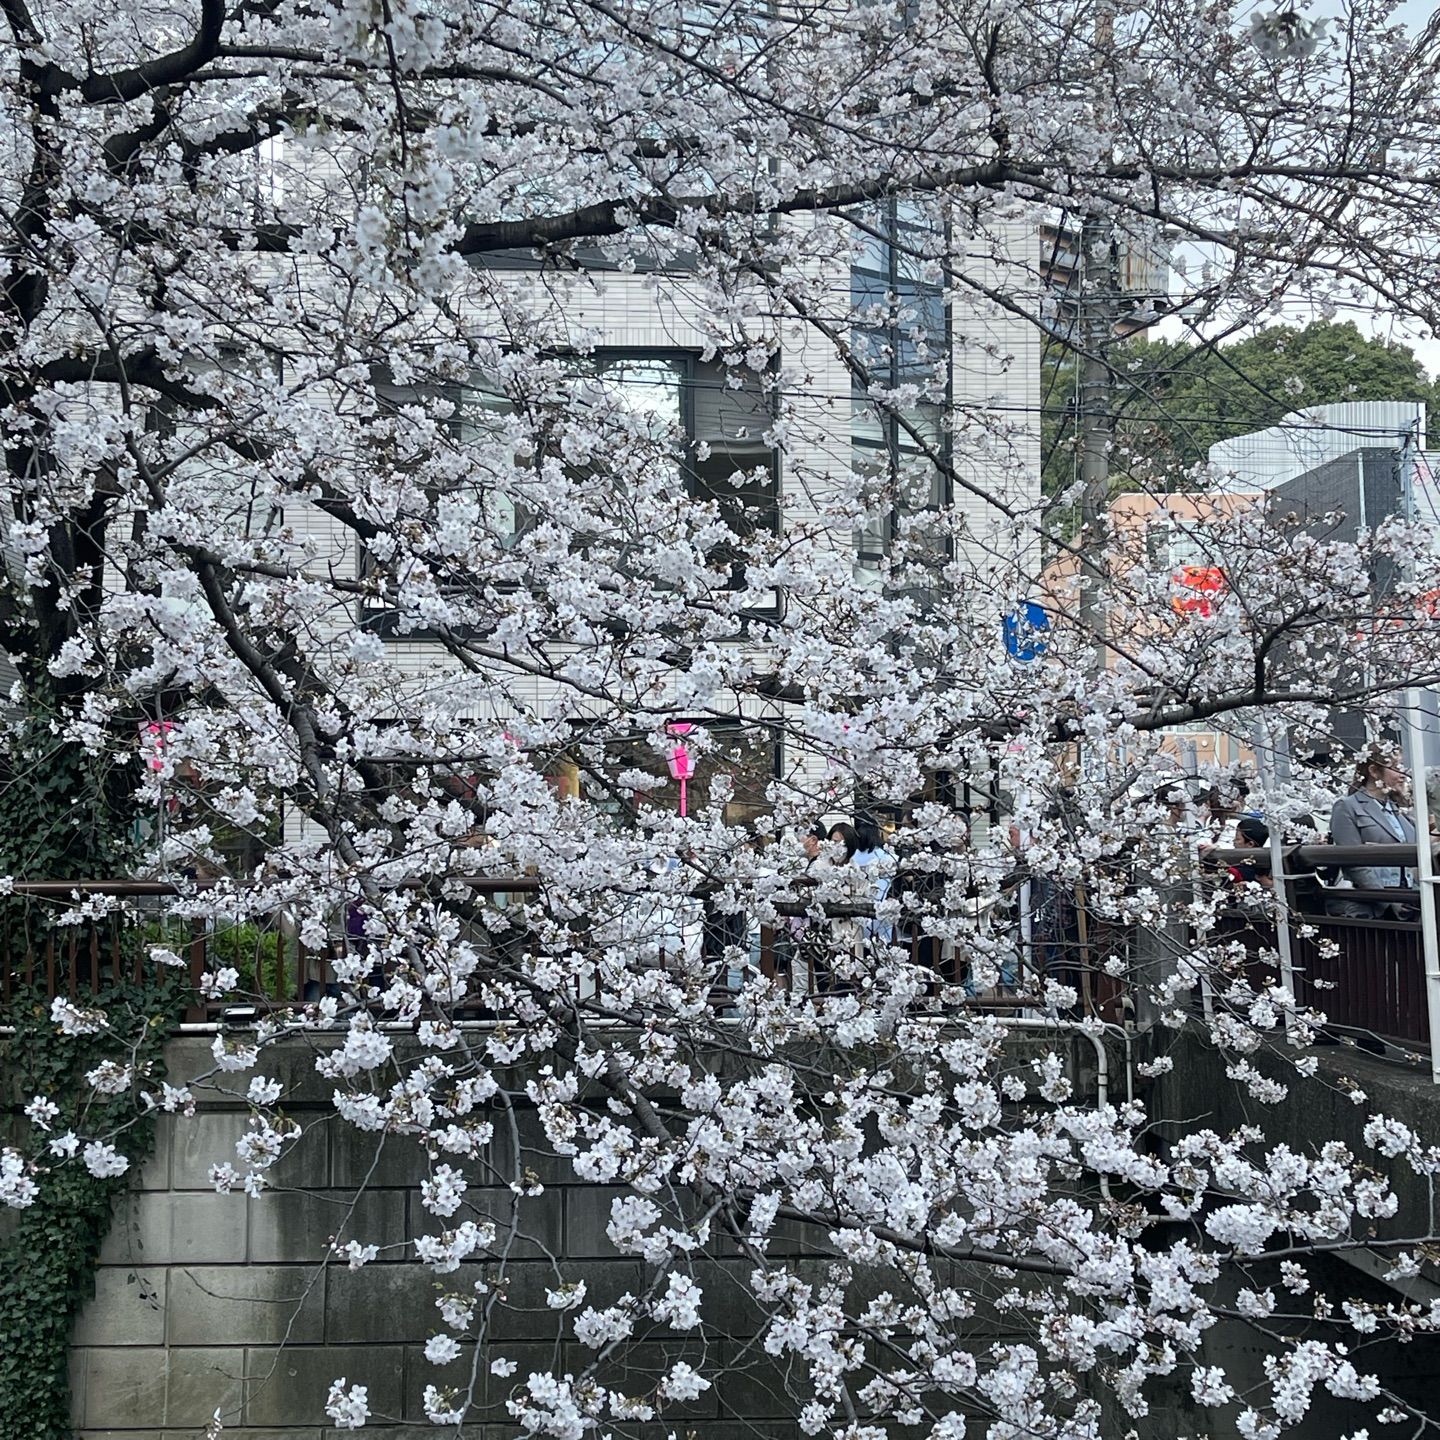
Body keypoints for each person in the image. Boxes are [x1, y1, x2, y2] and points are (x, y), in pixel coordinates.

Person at [1328, 747, 1417, 917]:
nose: (1403, 774)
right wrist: (1387, 899)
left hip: (1409, 898)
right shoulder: (1347, 806)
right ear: (1374, 771)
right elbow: (1352, 861)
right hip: (1372, 905)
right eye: (1395, 767)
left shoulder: (1400, 809)